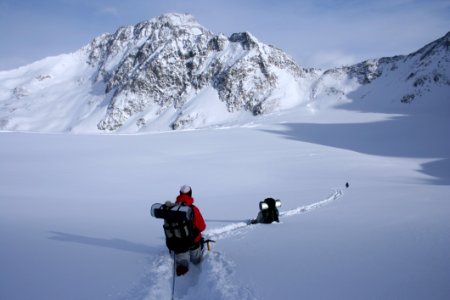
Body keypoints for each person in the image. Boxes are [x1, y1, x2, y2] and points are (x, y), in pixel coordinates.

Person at [173, 185, 206, 276]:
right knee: (196, 261)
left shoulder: (173, 208)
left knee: (182, 266)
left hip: (178, 243)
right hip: (193, 242)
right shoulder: (193, 209)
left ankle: (183, 274)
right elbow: (202, 227)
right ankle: (197, 267)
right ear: (190, 194)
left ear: (180, 194)